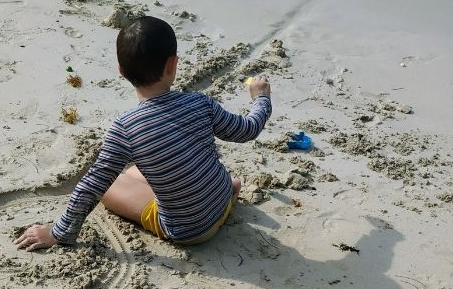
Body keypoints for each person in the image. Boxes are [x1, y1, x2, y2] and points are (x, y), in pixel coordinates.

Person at [14, 16, 271, 251]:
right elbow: (247, 130)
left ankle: (204, 205)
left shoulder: (125, 128)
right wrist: (261, 98)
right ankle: (228, 192)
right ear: (173, 64)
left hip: (191, 231)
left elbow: (92, 185)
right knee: (145, 168)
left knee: (110, 185)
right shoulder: (200, 103)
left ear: (121, 72)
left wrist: (58, 233)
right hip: (220, 197)